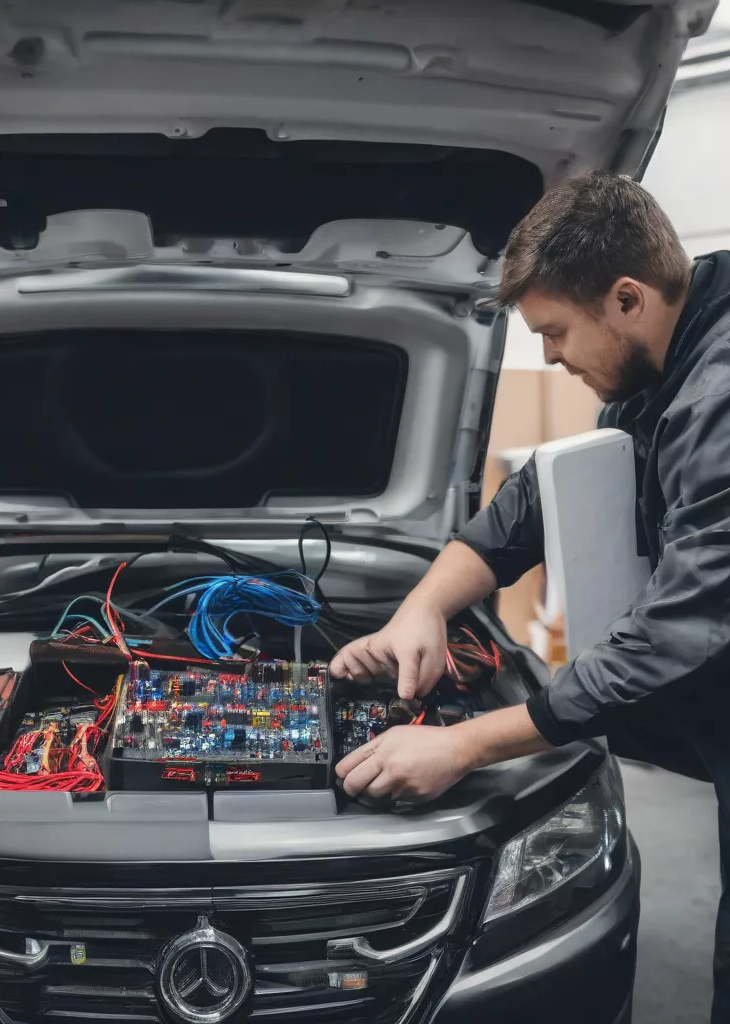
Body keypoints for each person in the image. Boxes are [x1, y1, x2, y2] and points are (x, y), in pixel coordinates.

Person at [329, 171, 730, 1020]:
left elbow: (676, 631)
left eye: (554, 331)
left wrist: (466, 744)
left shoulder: (721, 399)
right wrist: (424, 606)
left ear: (626, 298)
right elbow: (537, 499)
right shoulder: (673, 346)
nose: (548, 357)